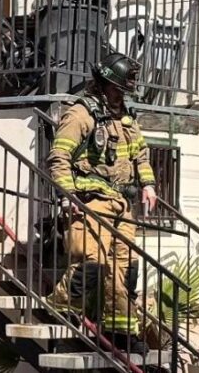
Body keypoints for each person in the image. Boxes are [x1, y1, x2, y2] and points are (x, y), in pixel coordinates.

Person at [47, 52, 158, 353]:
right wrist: (67, 194)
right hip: (90, 201)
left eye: (125, 91)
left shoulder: (126, 118)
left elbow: (141, 155)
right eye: (118, 90)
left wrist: (147, 184)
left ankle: (120, 331)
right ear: (104, 84)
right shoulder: (80, 114)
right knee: (91, 264)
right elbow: (59, 158)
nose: (122, 96)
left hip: (122, 203)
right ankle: (59, 308)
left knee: (125, 270)